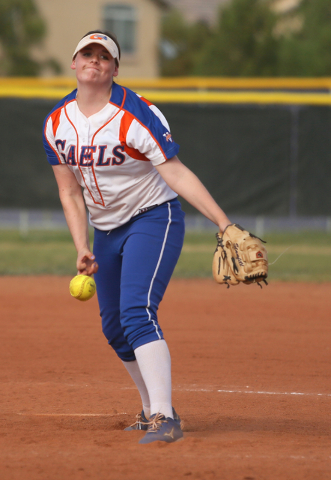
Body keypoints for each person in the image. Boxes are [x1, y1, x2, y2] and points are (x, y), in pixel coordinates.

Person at [43, 30, 231, 444]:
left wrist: (223, 222)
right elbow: (69, 191)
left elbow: (175, 171)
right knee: (114, 328)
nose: (95, 61)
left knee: (136, 312)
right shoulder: (57, 123)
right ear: (73, 64)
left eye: (104, 57)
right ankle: (150, 411)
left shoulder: (136, 113)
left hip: (153, 217)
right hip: (105, 229)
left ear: (113, 69)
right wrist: (81, 246)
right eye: (87, 54)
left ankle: (166, 418)